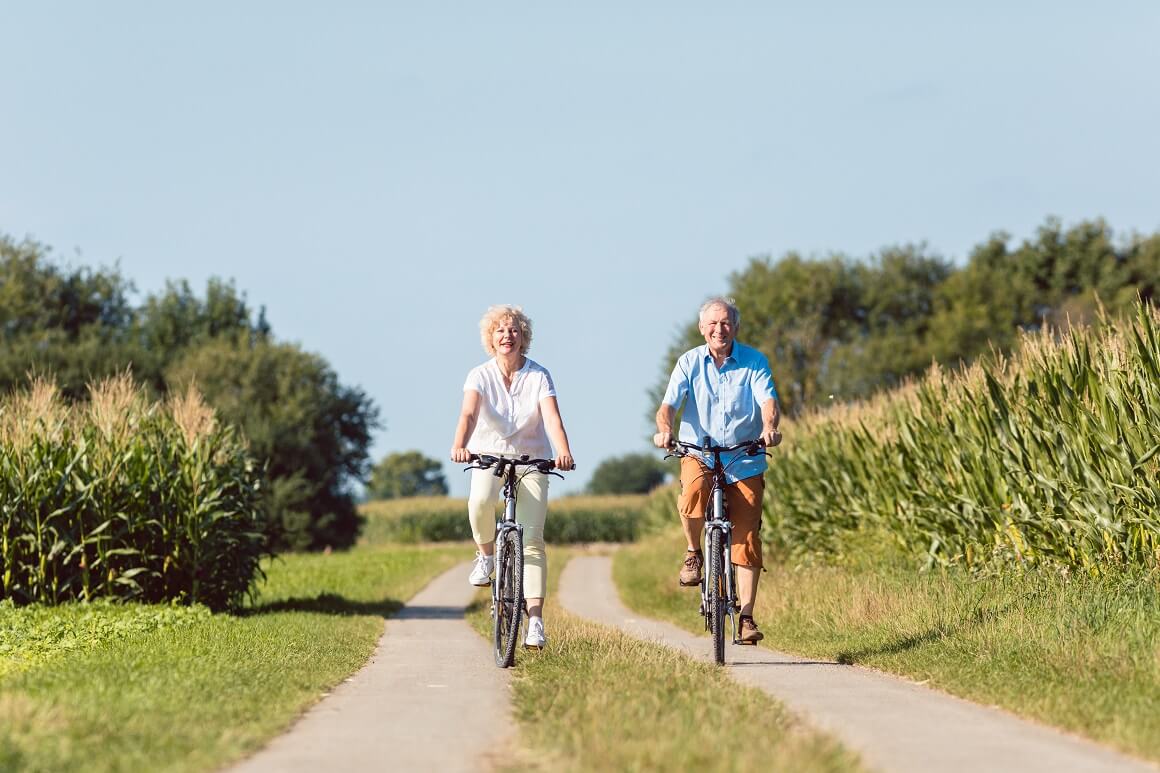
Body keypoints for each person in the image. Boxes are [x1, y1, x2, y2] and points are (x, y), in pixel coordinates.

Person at [653, 296, 781, 644]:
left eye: (725, 323)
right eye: (712, 323)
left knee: (748, 533)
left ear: (735, 327)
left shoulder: (754, 362)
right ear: (701, 328)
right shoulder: (689, 362)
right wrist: (665, 430)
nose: (718, 329)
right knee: (693, 492)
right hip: (700, 452)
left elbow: (768, 401)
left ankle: (747, 617)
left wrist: (769, 427)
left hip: (744, 455)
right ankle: (694, 552)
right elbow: (668, 406)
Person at [450, 304, 575, 650]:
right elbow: (468, 413)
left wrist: (563, 452)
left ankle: (534, 621)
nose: (507, 336)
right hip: (487, 456)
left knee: (532, 540)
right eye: (500, 331)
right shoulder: (479, 375)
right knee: (479, 501)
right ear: (490, 338)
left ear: (524, 337)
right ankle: (486, 555)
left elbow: (551, 418)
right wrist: (460, 445)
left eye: (514, 330)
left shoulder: (538, 375)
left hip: (532, 460)